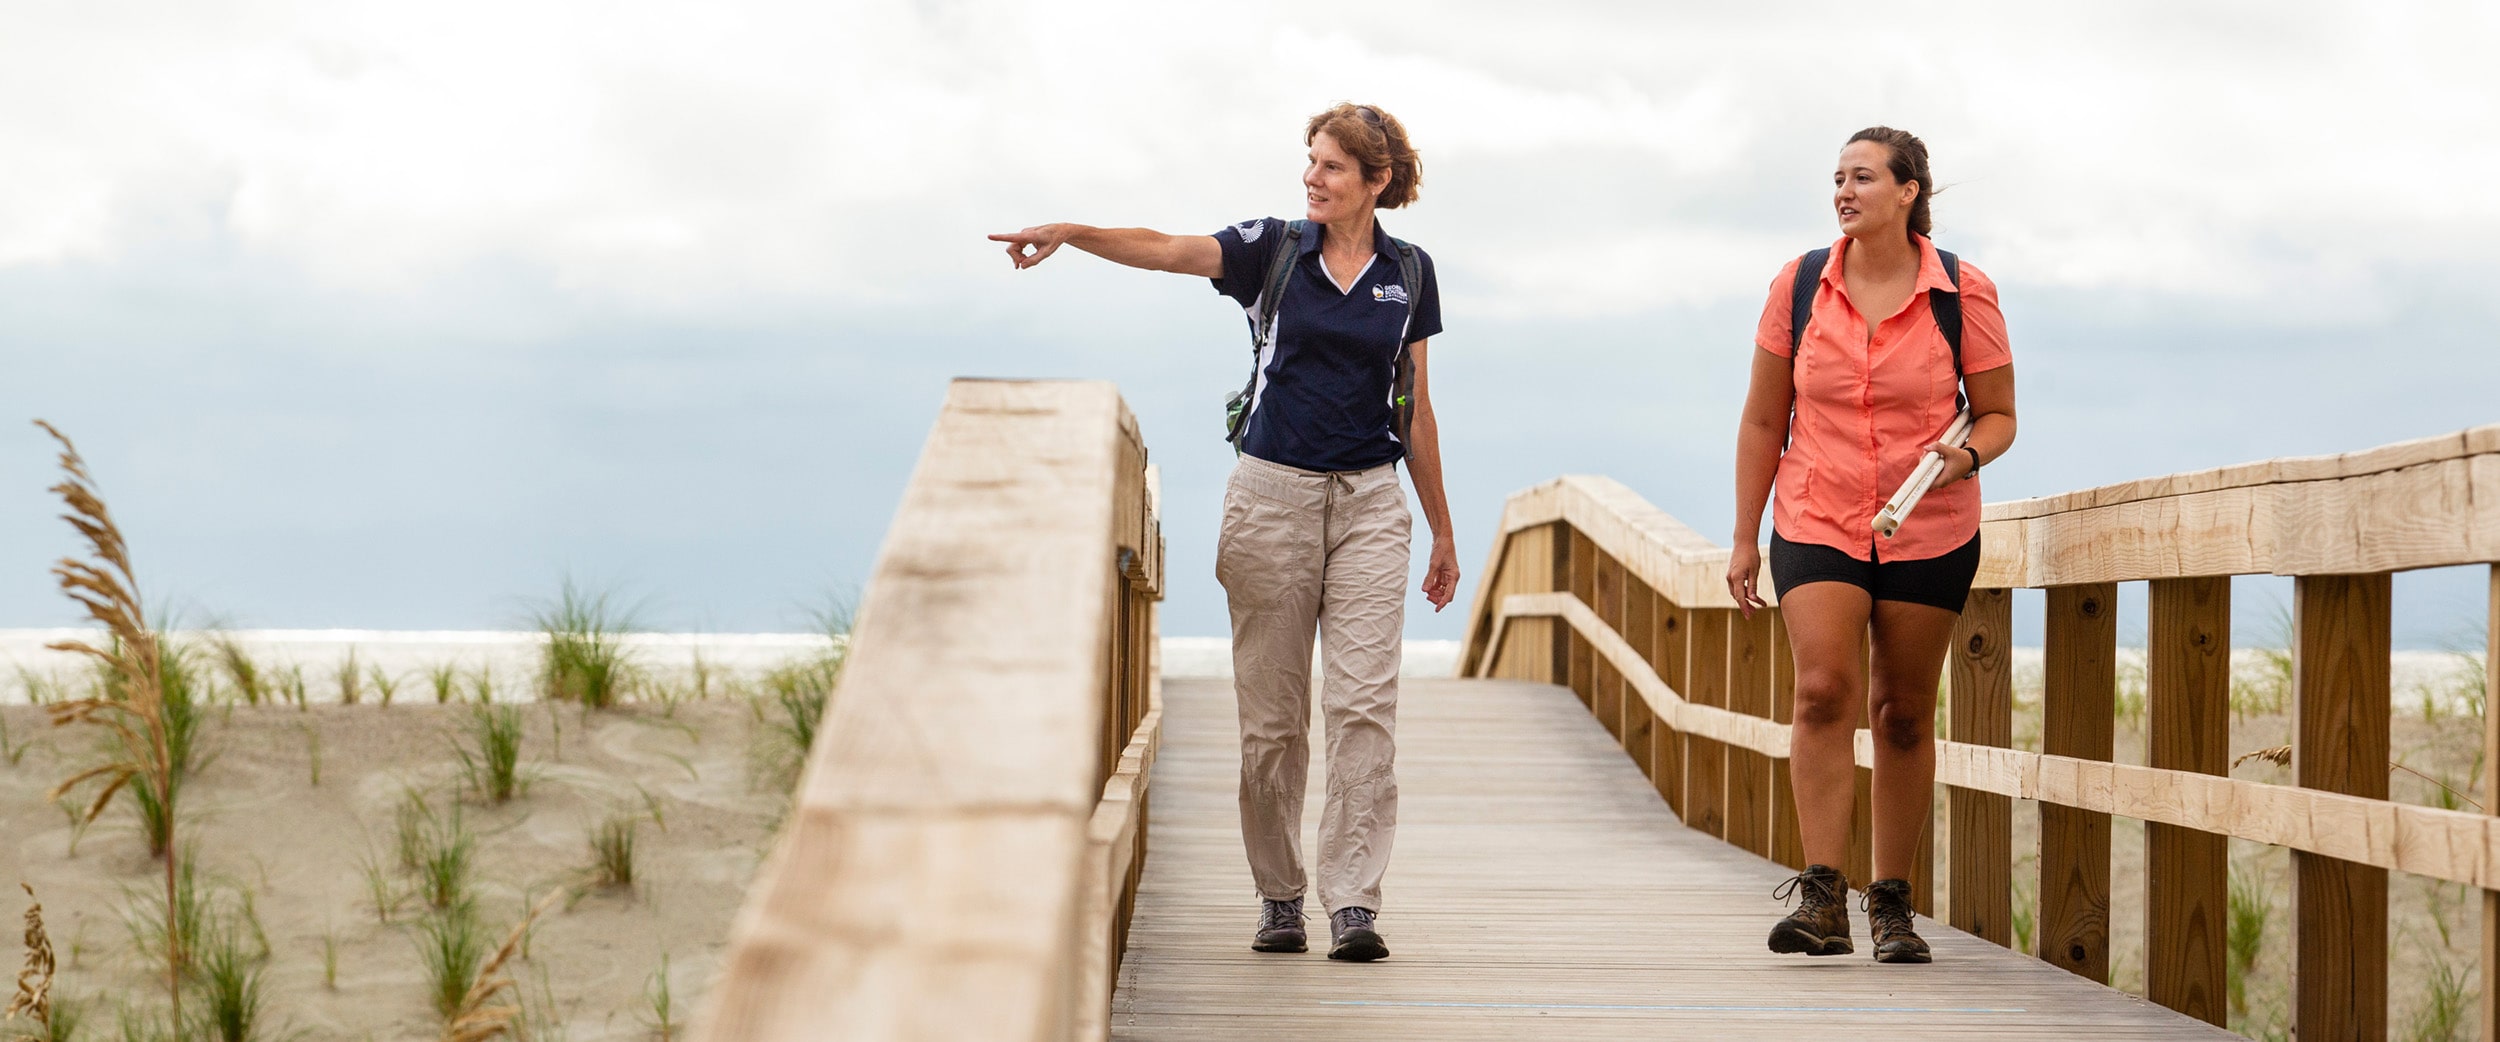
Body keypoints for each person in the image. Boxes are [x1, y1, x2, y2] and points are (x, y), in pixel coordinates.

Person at [988, 102, 1457, 963]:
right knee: (1273, 722)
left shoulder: (1411, 273)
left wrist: (1441, 531)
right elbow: (1167, 248)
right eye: (1309, 161)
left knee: (1363, 710)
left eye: (1330, 168)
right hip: (1271, 498)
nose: (1311, 178)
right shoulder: (1272, 249)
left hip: (1370, 504)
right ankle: (1280, 896)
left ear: (1377, 182)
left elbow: (1415, 405)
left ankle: (1353, 901)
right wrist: (1074, 232)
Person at [1727, 126, 2016, 964]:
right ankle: (1822, 895)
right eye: (1838, 178)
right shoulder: (1801, 284)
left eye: (1863, 178)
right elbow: (1760, 419)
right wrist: (1745, 538)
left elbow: (1998, 413)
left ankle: (1891, 904)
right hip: (1817, 511)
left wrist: (1965, 455)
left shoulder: (1962, 290)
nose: (1844, 192)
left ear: (1907, 192)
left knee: (1901, 712)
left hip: (1926, 522)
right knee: (1821, 691)